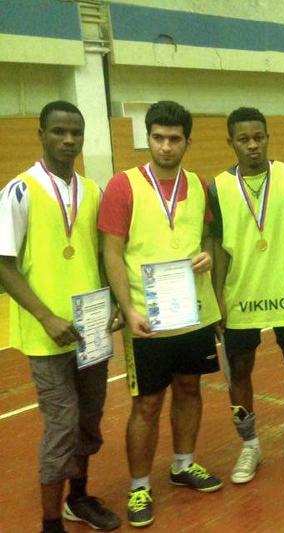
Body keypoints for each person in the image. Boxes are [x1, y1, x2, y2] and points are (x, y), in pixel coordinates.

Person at [99, 101, 223, 528]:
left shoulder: (200, 185)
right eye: (158, 138)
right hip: (146, 319)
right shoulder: (123, 186)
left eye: (174, 139)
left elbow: (206, 236)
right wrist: (127, 308)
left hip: (192, 313)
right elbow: (111, 254)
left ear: (187, 141)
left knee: (189, 388)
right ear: (148, 138)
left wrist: (206, 255)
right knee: (147, 404)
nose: (166, 146)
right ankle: (139, 487)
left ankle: (183, 464)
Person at [0, 101, 121, 533]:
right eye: (58, 131)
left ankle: (78, 498)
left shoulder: (93, 191)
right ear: (41, 134)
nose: (68, 140)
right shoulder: (19, 191)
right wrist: (46, 317)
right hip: (46, 335)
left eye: (76, 132)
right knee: (62, 425)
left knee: (88, 419)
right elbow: (3, 264)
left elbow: (103, 256)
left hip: (91, 329)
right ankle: (50, 523)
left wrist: (115, 302)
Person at [209, 107, 284, 483]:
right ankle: (250, 445)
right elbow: (217, 246)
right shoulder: (217, 188)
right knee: (239, 370)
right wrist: (217, 297)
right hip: (240, 294)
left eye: (259, 137)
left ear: (268, 137)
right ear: (231, 142)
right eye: (244, 139)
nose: (252, 145)